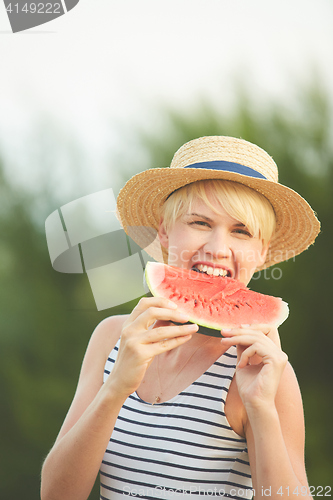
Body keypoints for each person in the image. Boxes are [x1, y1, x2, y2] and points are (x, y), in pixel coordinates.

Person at [40, 136, 320, 500]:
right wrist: (115, 389)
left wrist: (261, 407)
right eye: (200, 223)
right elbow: (56, 495)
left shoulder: (264, 370)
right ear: (164, 232)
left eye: (241, 231)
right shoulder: (112, 338)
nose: (218, 249)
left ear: (262, 252)